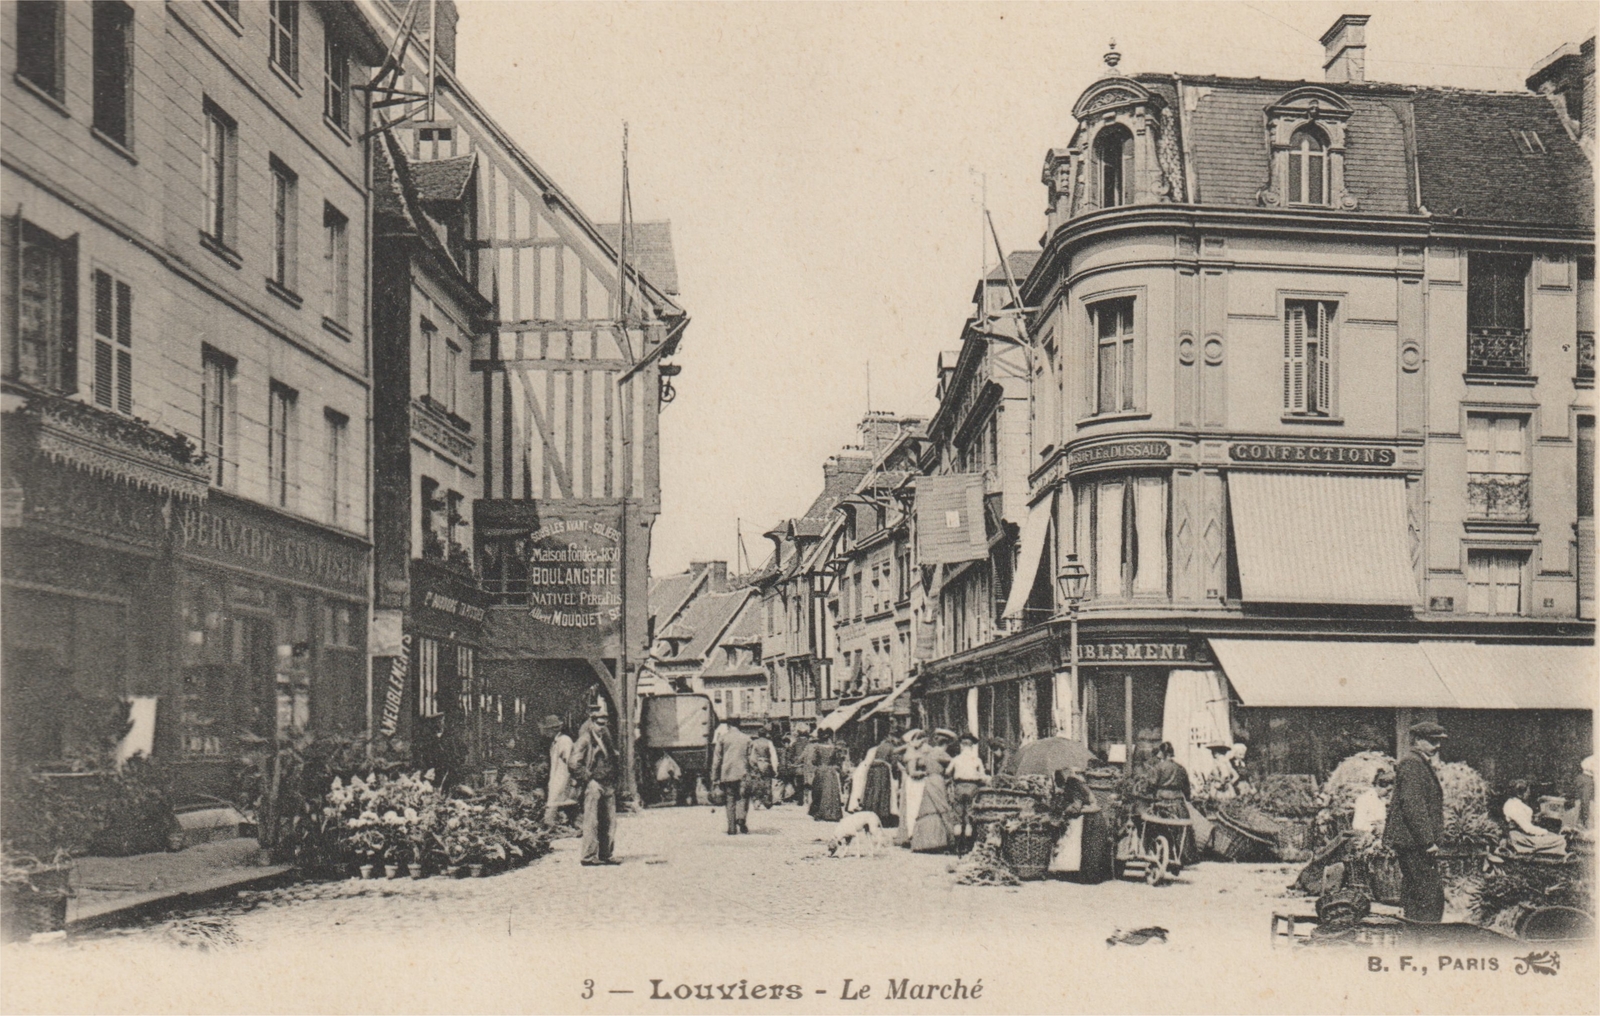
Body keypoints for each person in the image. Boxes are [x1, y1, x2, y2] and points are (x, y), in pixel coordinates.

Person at [1384, 721, 1448, 922]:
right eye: (1432, 741)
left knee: (1416, 892)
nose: (1437, 746)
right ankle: (1425, 937)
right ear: (1417, 740)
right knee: (1429, 895)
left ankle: (1414, 935)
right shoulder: (1412, 763)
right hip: (1414, 843)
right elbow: (1413, 805)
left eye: (1438, 741)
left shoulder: (1418, 762)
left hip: (1413, 842)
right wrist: (1427, 841)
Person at [570, 702, 620, 866]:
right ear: (592, 722)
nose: (602, 727)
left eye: (604, 724)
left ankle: (606, 854)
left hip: (607, 783)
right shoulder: (585, 739)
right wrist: (588, 778)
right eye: (599, 724)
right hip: (594, 783)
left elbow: (612, 758)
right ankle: (588, 856)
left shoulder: (606, 738)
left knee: (610, 821)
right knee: (592, 821)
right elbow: (573, 763)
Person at [946, 733, 989, 852]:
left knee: (958, 815)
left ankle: (957, 846)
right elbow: (982, 776)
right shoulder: (977, 760)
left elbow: (947, 772)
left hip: (959, 786)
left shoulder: (956, 759)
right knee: (970, 815)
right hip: (973, 787)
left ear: (961, 745)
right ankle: (968, 846)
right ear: (972, 746)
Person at [1503, 780, 1568, 858]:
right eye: (1528, 791)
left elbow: (1522, 821)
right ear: (1521, 793)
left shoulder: (1512, 803)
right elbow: (1527, 829)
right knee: (1560, 840)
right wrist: (1544, 832)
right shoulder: (1514, 806)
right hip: (1521, 838)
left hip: (1521, 835)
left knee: (1554, 836)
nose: (1529, 793)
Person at [710, 718, 754, 834]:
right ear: (739, 725)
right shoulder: (747, 739)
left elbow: (717, 760)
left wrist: (714, 777)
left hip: (727, 774)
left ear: (729, 725)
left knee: (729, 799)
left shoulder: (723, 738)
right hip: (743, 773)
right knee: (743, 797)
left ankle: (732, 828)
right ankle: (741, 818)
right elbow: (752, 759)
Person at [541, 715, 579, 828]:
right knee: (567, 805)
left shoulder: (564, 741)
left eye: (547, 730)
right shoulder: (556, 742)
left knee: (553, 805)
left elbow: (570, 762)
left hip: (563, 779)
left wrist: (572, 780)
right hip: (557, 778)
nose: (546, 733)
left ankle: (548, 826)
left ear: (554, 729)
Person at [859, 731, 897, 827]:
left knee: (873, 791)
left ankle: (870, 811)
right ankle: (881, 815)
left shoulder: (880, 746)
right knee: (882, 791)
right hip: (882, 770)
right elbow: (893, 762)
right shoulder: (891, 747)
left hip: (873, 769)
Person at [808, 728, 846, 822]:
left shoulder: (817, 748)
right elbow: (837, 761)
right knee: (830, 792)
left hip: (821, 770)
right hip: (830, 772)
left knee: (818, 792)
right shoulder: (834, 748)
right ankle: (831, 813)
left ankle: (818, 812)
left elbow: (813, 761)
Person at [746, 724, 780, 810]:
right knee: (767, 783)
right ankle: (767, 801)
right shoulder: (769, 743)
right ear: (766, 734)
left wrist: (753, 765)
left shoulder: (753, 743)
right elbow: (773, 756)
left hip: (757, 764)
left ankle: (756, 801)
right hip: (766, 764)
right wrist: (775, 768)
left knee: (756, 783)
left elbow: (751, 756)